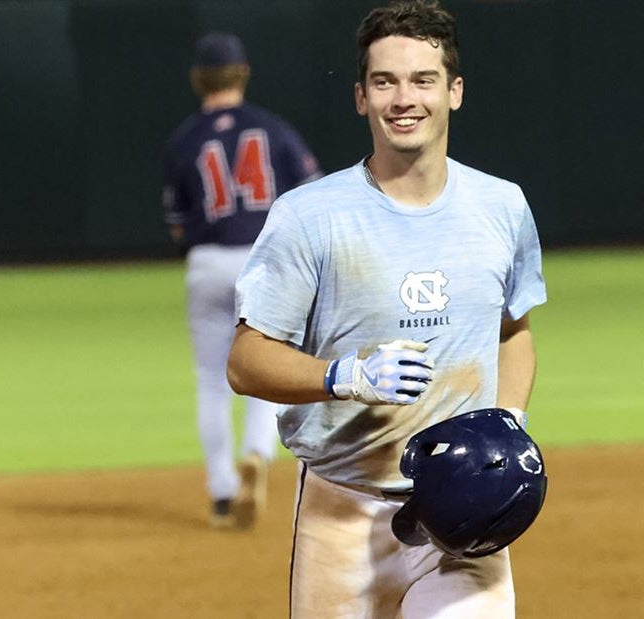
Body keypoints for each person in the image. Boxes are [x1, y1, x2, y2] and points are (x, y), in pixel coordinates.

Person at [227, 1, 547, 616]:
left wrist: (509, 422)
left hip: (466, 516)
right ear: (360, 97)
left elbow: (514, 330)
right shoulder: (309, 217)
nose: (405, 98)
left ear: (454, 92)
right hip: (342, 510)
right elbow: (246, 361)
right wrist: (345, 377)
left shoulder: (502, 206)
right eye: (385, 82)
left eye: (423, 80)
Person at [161, 31, 321, 529]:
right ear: (244, 73)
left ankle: (223, 495)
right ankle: (256, 451)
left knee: (212, 382)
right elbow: (313, 198)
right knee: (265, 369)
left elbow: (177, 223)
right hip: (264, 259)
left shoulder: (184, 139)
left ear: (197, 79)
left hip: (208, 261)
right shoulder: (273, 130)